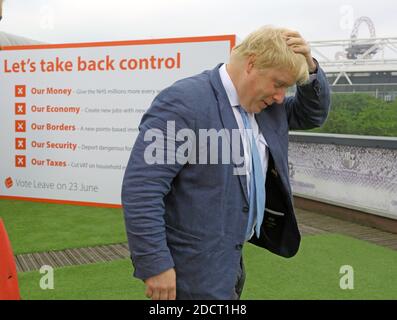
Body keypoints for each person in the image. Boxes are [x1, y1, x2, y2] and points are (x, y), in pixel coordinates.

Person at [122, 25, 331, 300]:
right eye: (278, 84)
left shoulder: (269, 108)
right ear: (251, 64)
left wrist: (312, 68)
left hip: (231, 259)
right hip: (193, 269)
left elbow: (311, 114)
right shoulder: (184, 102)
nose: (281, 96)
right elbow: (142, 189)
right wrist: (155, 264)